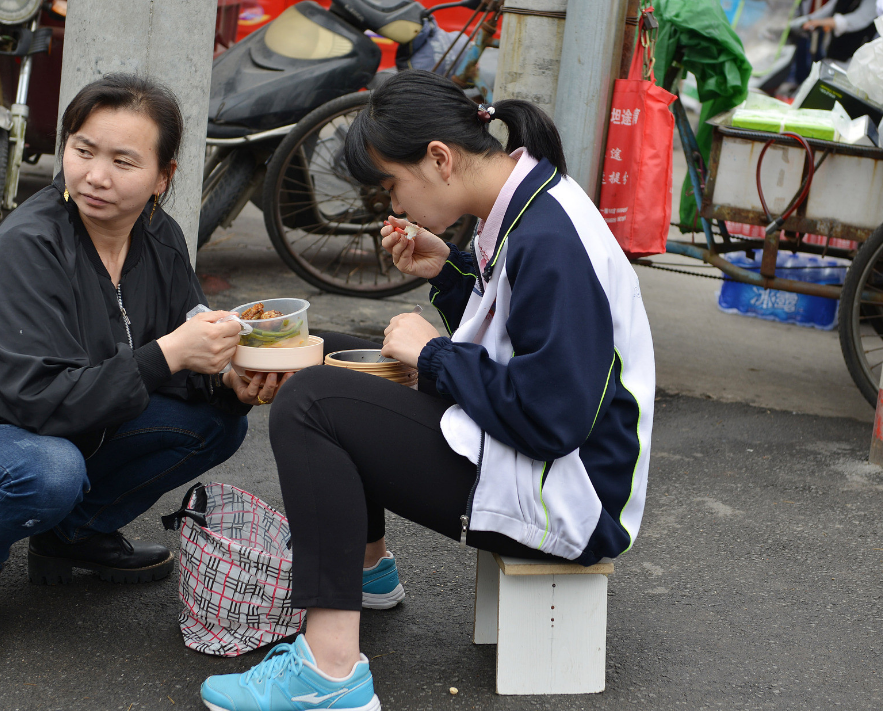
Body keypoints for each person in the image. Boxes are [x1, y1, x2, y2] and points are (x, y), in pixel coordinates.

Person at [199, 69, 655, 711]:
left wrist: (434, 355)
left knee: (311, 402)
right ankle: (366, 572)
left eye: (392, 185)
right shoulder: (529, 201)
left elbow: (554, 417)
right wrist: (448, 272)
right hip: (548, 467)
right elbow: (519, 336)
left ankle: (330, 675)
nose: (394, 206)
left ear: (439, 158)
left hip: (572, 500)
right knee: (325, 356)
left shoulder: (549, 237)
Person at [0, 74, 288, 661]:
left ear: (164, 175)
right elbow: (36, 402)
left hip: (54, 430)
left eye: (124, 161)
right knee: (51, 469)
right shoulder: (30, 243)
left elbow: (177, 354)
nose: (96, 176)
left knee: (218, 422)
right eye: (83, 150)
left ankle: (69, 536)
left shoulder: (161, 238)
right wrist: (170, 353)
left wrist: (227, 378)